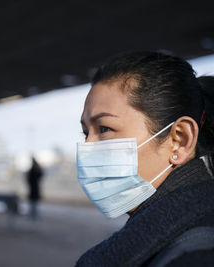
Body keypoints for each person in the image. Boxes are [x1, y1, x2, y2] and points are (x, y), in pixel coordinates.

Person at [75, 52, 214, 266]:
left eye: (105, 128)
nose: (88, 147)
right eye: (86, 133)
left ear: (180, 140)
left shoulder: (196, 253)